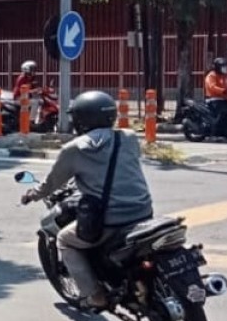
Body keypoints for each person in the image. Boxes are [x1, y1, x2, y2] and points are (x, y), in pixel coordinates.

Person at [21, 91, 154, 309]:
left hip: (109, 221)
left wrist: (32, 194)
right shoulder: (129, 138)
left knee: (64, 240)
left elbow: (51, 183)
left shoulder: (75, 149)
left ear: (81, 119)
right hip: (143, 212)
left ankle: (95, 295)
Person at [204, 57, 227, 136]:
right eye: (223, 66)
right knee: (225, 112)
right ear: (218, 67)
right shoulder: (211, 75)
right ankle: (216, 133)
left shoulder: (223, 76)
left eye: (226, 66)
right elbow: (212, 87)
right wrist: (223, 91)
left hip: (223, 99)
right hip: (213, 99)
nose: (225, 68)